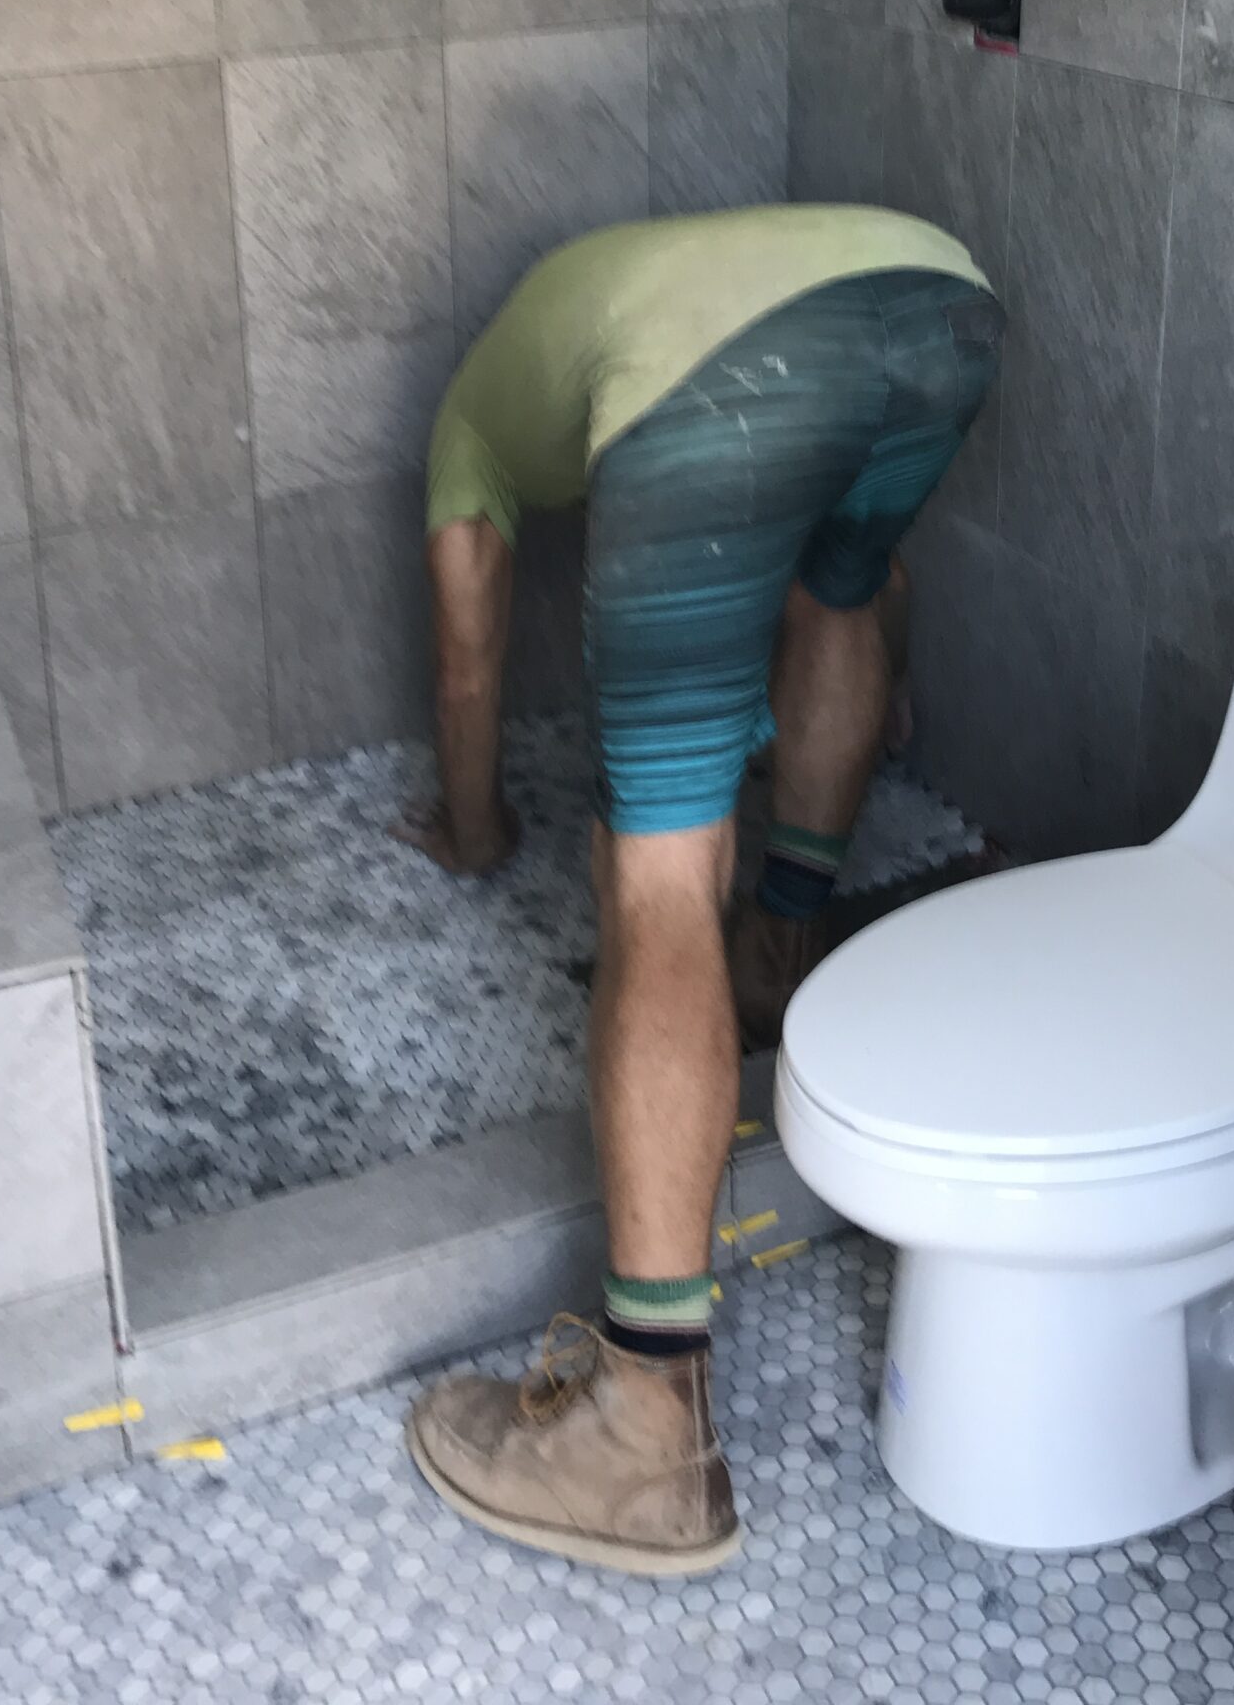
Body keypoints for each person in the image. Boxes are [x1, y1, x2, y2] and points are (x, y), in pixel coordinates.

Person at [396, 203, 1003, 1575]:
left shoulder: (469, 429)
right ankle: (781, 946)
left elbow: (468, 659)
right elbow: (865, 592)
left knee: (661, 869)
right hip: (943, 310)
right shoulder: (620, 285)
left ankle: (645, 1426)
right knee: (840, 597)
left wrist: (477, 832)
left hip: (726, 376)